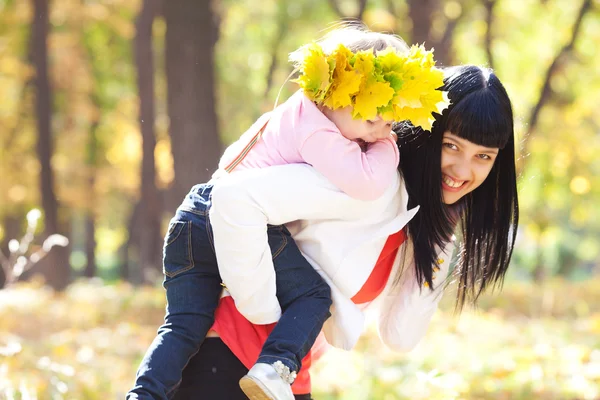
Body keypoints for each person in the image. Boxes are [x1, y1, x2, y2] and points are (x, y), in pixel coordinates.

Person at [128, 25, 448, 400]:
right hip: (231, 219)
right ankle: (276, 367)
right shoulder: (317, 131)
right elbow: (367, 183)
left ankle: (143, 394)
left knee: (184, 324)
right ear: (334, 93)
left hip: (194, 215)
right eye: (371, 118)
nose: (378, 133)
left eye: (390, 123)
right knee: (313, 296)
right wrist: (392, 147)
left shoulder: (294, 115)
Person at [172, 64, 519, 400]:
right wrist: (261, 312)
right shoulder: (365, 182)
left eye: (483, 157)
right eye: (451, 146)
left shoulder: (415, 219)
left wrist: (441, 235)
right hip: (227, 355)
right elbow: (234, 196)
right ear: (427, 133)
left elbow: (399, 336)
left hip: (281, 373)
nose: (463, 169)